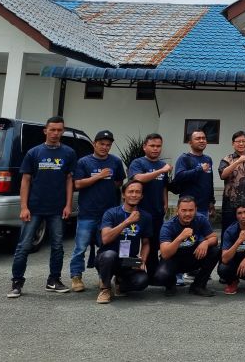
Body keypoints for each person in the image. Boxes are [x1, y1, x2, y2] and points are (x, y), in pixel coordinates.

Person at [9, 116, 77, 298]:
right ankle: (17, 282)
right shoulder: (34, 153)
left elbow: (70, 180)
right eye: (52, 129)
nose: (55, 133)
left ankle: (53, 280)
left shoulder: (69, 153)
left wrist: (68, 205)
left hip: (57, 208)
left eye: (59, 130)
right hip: (34, 207)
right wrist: (24, 207)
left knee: (57, 246)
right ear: (45, 131)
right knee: (24, 246)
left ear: (63, 131)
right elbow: (25, 180)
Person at [69, 130, 126, 292]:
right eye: (101, 144)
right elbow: (78, 184)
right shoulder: (84, 162)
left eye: (108, 145)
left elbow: (119, 182)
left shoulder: (115, 161)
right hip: (87, 212)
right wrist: (99, 177)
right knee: (80, 247)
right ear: (94, 144)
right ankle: (76, 276)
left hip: (108, 215)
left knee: (107, 248)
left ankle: (105, 277)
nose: (105, 147)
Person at [95, 179, 152, 304]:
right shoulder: (111, 213)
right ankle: (105, 288)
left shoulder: (146, 216)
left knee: (143, 280)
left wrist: (142, 259)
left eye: (138, 192)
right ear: (123, 194)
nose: (134, 195)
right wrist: (127, 222)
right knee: (110, 255)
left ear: (141, 196)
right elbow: (105, 238)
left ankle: (120, 284)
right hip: (106, 257)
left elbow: (146, 243)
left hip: (128, 259)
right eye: (130, 191)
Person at [126, 133, 171, 279]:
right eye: (152, 146)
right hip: (138, 211)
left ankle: (152, 275)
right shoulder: (138, 163)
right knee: (131, 243)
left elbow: (164, 186)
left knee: (152, 244)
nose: (156, 149)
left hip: (156, 211)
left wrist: (165, 203)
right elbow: (138, 178)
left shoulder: (161, 165)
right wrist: (161, 171)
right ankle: (125, 276)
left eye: (158, 146)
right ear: (144, 147)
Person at [156, 195, 219, 297]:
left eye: (191, 210)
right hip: (174, 259)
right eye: (184, 210)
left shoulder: (201, 219)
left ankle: (198, 286)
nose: (187, 214)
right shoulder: (168, 226)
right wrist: (180, 237)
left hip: (193, 256)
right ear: (177, 210)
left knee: (215, 251)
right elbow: (165, 253)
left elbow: (214, 238)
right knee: (161, 276)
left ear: (195, 210)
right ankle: (170, 284)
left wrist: (206, 242)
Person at [218, 130, 245, 235]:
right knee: (228, 231)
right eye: (238, 141)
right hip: (231, 204)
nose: (241, 144)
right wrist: (238, 161)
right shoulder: (227, 159)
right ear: (233, 143)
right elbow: (223, 175)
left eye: (244, 141)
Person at [172, 130, 215, 216]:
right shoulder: (184, 158)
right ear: (190, 143)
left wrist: (211, 201)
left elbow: (209, 181)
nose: (202, 140)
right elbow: (179, 176)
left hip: (204, 208)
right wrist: (199, 169)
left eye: (204, 138)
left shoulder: (208, 159)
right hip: (188, 208)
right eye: (198, 139)